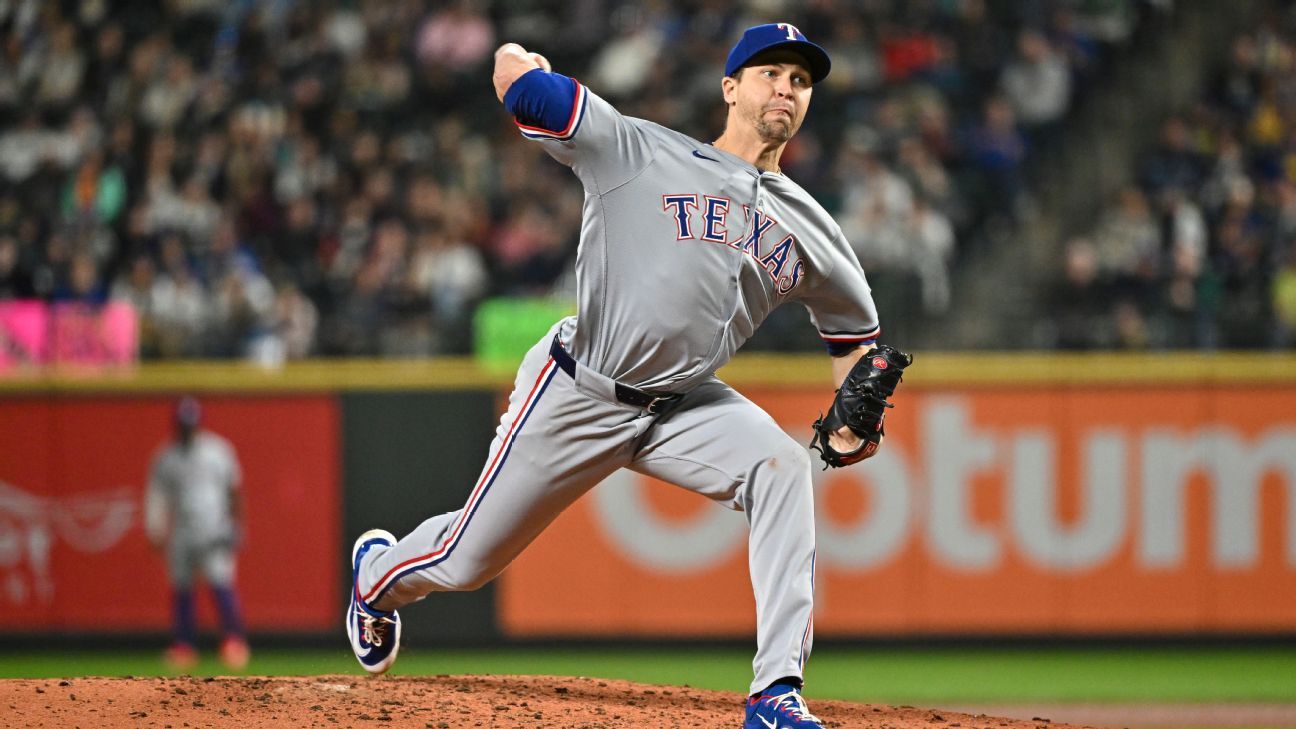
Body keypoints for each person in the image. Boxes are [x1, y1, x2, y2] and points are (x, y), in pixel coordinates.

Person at [347, 24, 892, 729]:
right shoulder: (638, 150)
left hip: (685, 405)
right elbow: (516, 82)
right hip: (581, 388)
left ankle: (776, 691)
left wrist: (855, 413)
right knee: (465, 558)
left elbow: (855, 337)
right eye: (770, 73)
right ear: (731, 88)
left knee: (784, 467)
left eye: (800, 80)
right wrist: (522, 63)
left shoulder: (813, 228)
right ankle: (374, 579)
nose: (786, 88)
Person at [145, 396, 250, 670]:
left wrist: (237, 524)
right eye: (183, 424)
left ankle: (233, 641)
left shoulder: (217, 450)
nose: (187, 429)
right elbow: (156, 497)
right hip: (182, 531)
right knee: (182, 589)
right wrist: (155, 528)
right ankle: (184, 645)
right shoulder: (165, 457)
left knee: (221, 584)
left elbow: (234, 489)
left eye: (191, 424)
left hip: (215, 529)